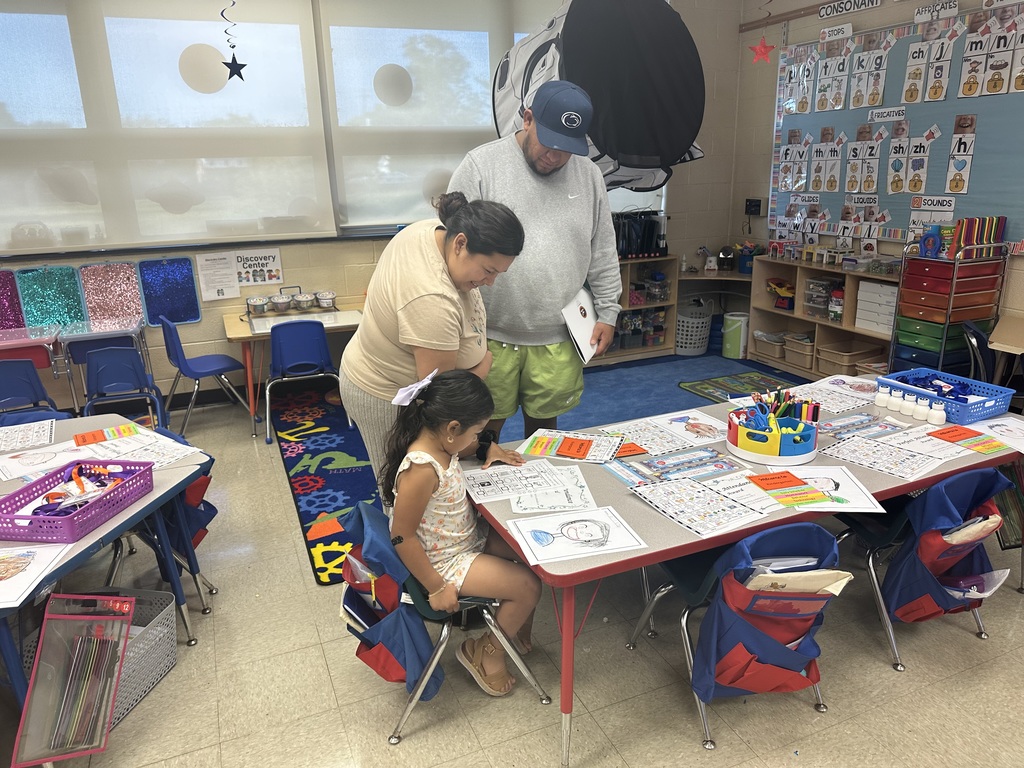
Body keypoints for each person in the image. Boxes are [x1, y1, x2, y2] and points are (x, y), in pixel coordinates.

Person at [447, 80, 621, 441]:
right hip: (488, 333)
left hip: (558, 335)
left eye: (567, 148)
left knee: (544, 432)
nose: (555, 156)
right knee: (481, 429)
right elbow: (450, 251)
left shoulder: (588, 175)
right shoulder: (481, 165)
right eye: (550, 142)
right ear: (528, 119)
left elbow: (603, 248)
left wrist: (608, 311)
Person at [339, 192, 525, 479]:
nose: (490, 283)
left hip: (397, 375)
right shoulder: (431, 299)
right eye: (488, 271)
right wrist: (482, 367)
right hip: (387, 392)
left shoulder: (433, 231)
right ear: (460, 243)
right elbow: (440, 397)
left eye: (499, 273)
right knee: (403, 484)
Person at [379, 368, 540, 697]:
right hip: (444, 563)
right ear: (452, 429)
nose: (477, 440)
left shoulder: (441, 442)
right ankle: (486, 654)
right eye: (477, 433)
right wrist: (436, 587)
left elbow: (462, 448)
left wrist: (486, 449)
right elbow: (401, 536)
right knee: (528, 586)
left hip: (464, 541)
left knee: (529, 548)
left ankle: (512, 627)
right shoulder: (422, 469)